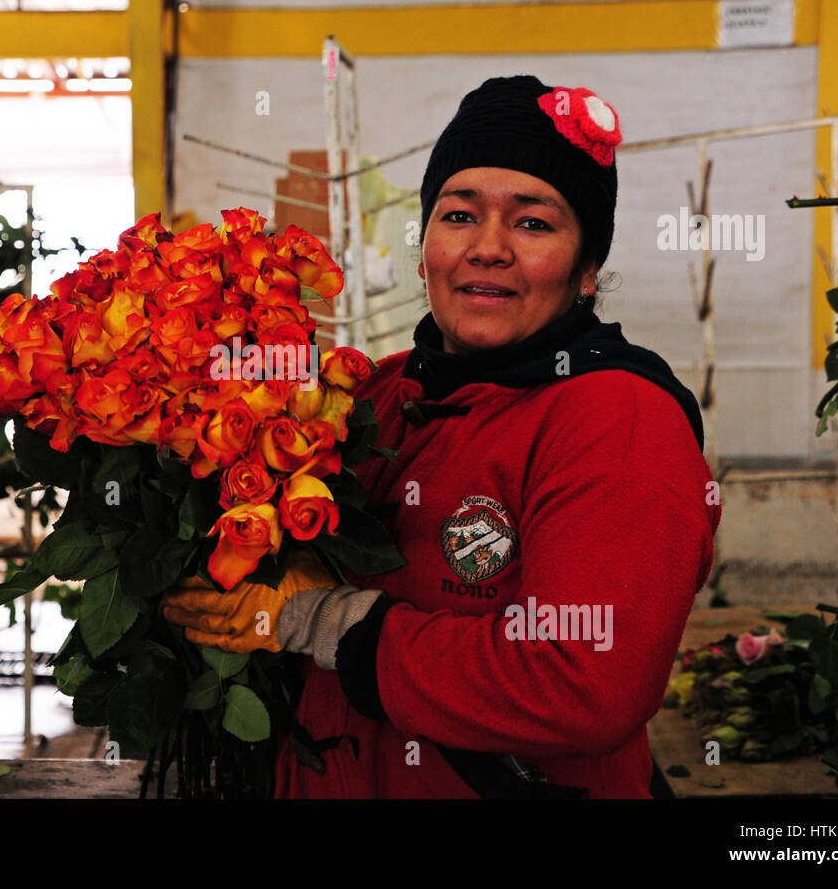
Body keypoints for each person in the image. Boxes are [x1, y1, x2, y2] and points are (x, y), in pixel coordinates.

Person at [162, 75, 722, 798]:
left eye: (533, 223)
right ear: (425, 243)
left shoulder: (617, 419)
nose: (487, 248)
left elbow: (582, 681)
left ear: (587, 270)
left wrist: (326, 622)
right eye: (459, 215)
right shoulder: (374, 395)